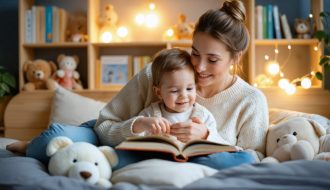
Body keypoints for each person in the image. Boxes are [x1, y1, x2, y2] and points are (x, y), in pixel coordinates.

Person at [7, 0, 268, 170]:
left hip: (191, 158)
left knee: (241, 160)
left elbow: (253, 159)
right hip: (122, 142)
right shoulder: (159, 73)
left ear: (236, 57)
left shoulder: (250, 100)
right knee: (51, 140)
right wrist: (135, 126)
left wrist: (207, 137)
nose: (199, 67)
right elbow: (105, 126)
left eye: (212, 60)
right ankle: (30, 145)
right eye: (195, 52)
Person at [135, 48, 225, 144]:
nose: (183, 96)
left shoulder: (203, 115)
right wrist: (141, 124)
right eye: (174, 91)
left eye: (189, 89)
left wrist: (205, 135)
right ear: (158, 92)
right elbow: (133, 141)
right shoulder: (150, 114)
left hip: (195, 158)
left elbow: (219, 144)